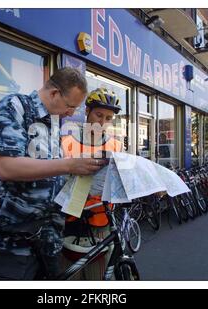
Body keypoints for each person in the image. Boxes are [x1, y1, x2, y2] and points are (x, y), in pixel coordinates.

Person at [0, 67, 108, 280]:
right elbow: (6, 168)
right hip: (10, 240)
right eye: (70, 106)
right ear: (54, 93)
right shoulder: (13, 107)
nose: (71, 113)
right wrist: (69, 165)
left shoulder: (53, 124)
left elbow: (51, 173)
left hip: (47, 238)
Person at [60, 88, 123, 279]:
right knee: (71, 276)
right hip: (69, 221)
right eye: (99, 115)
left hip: (101, 222)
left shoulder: (116, 145)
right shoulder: (67, 141)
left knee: (99, 277)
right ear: (87, 111)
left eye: (108, 118)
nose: (102, 123)